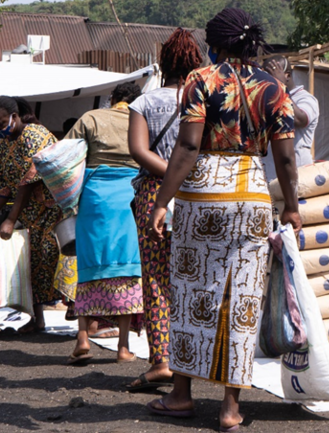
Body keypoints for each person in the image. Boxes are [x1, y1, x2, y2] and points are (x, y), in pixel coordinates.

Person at [145, 8, 302, 432]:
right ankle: (230, 409)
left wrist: (162, 201)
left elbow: (187, 147)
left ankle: (180, 395)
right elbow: (285, 157)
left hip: (203, 196)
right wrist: (291, 205)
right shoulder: (273, 87)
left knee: (192, 292)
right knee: (243, 299)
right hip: (252, 192)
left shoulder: (201, 79)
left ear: (215, 44)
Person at [124, 28, 203, 392]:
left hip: (154, 196)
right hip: (195, 197)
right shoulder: (202, 100)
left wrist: (168, 176)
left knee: (156, 279)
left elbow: (139, 152)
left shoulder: (143, 103)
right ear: (195, 63)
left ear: (162, 62)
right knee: (192, 280)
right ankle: (195, 359)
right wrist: (183, 177)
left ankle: (162, 361)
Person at [64, 82, 145, 364]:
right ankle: (123, 348)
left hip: (95, 199)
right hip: (130, 200)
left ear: (112, 98)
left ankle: (83, 339)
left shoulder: (92, 118)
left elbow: (65, 156)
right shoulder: (142, 119)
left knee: (88, 267)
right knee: (127, 271)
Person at [0, 96, 63, 333]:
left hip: (52, 208)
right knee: (28, 261)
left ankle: (81, 312)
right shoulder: (4, 144)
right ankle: (38, 319)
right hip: (27, 212)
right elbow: (3, 188)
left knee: (53, 255)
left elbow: (28, 181)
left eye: (1, 123)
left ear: (14, 117)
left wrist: (10, 219)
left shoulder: (35, 135)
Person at [261, 54, 319, 175]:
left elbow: (300, 120)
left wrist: (280, 88)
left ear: (286, 75)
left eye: (270, 76)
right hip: (271, 174)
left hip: (299, 172)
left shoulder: (305, 98)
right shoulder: (267, 100)